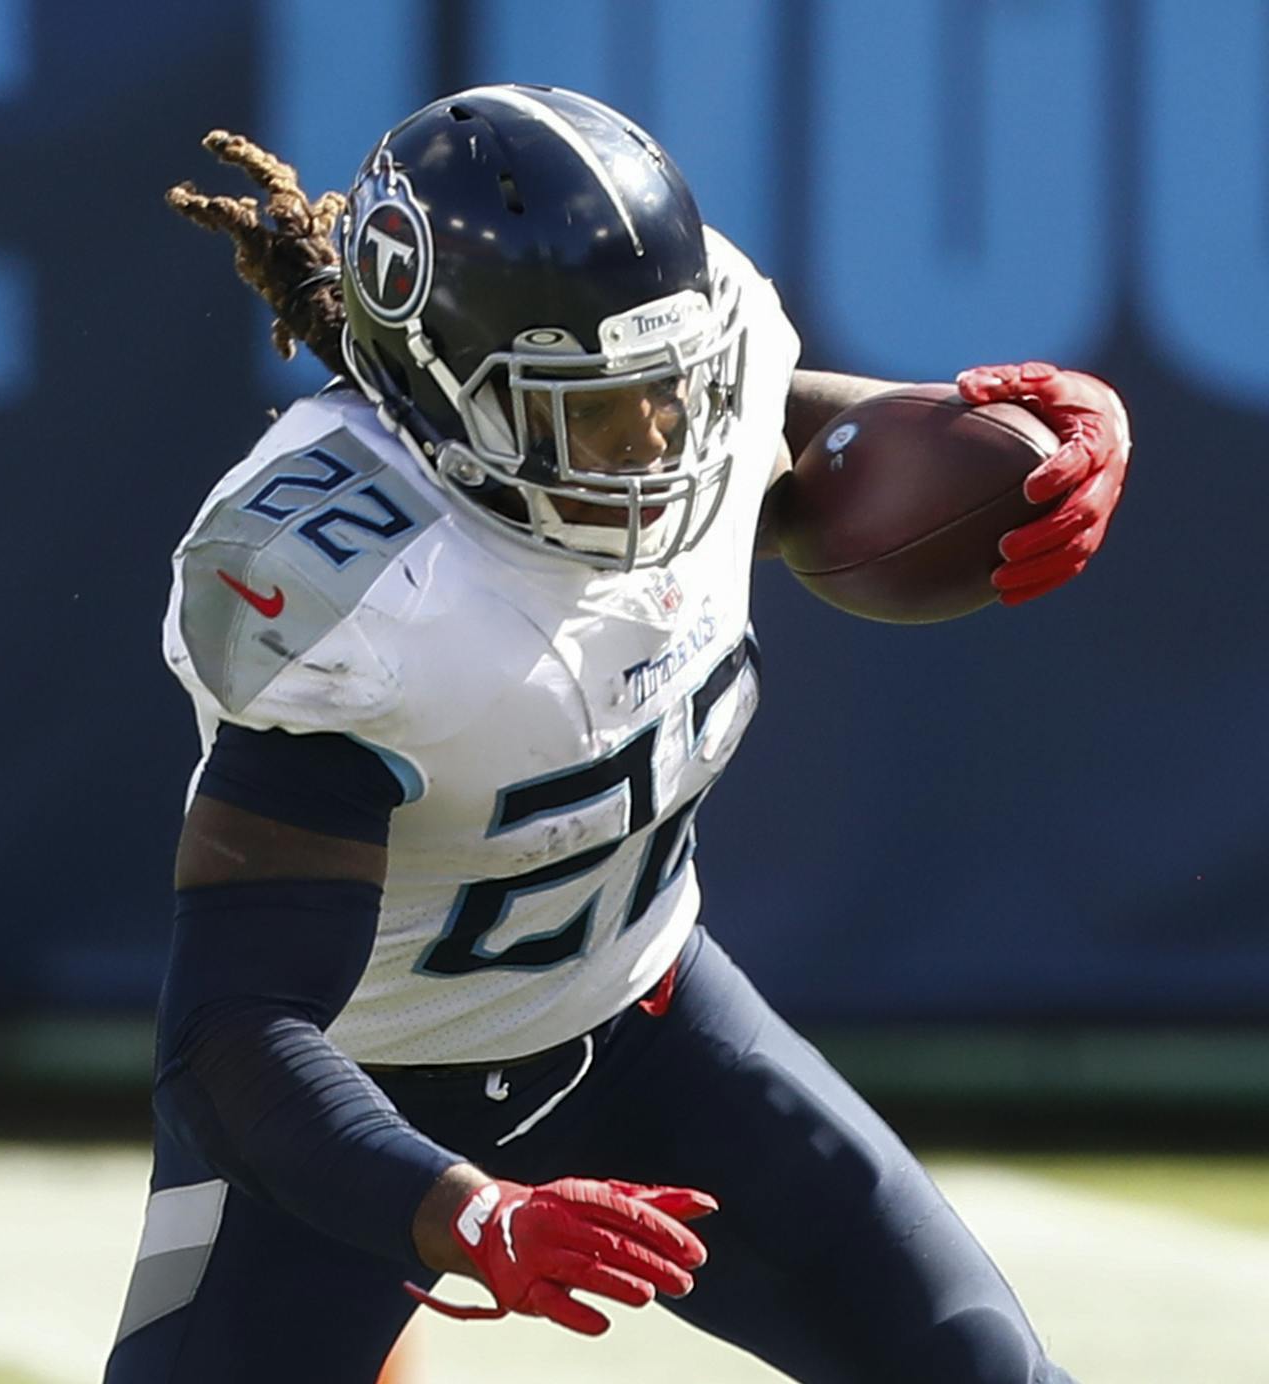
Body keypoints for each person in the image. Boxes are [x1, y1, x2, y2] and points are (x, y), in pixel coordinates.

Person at [104, 85, 1129, 1383]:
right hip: (361, 1096)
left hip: (651, 1020)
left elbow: (791, 423)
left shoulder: (695, 374)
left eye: (671, 386)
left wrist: (1047, 442)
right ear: (443, 403)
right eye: (592, 406)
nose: (658, 439)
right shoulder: (350, 595)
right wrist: (463, 1210)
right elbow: (233, 1036)